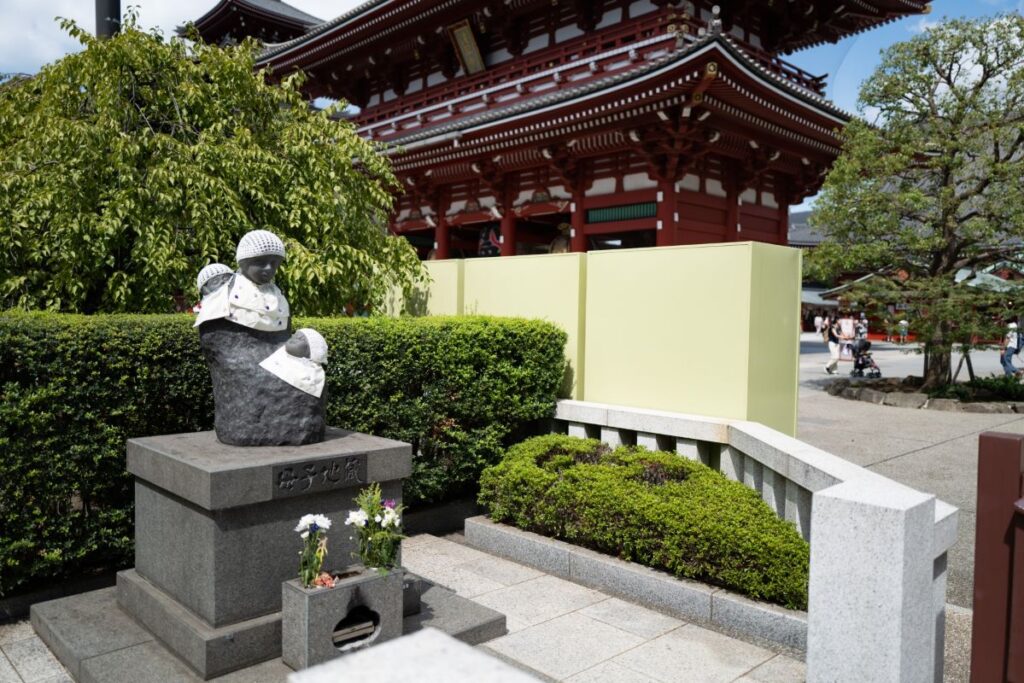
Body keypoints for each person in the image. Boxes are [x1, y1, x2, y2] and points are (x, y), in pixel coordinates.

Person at [259, 328, 328, 398]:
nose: (294, 339)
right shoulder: (276, 355)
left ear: (310, 351)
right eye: (294, 335)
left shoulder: (312, 375)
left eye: (300, 339)